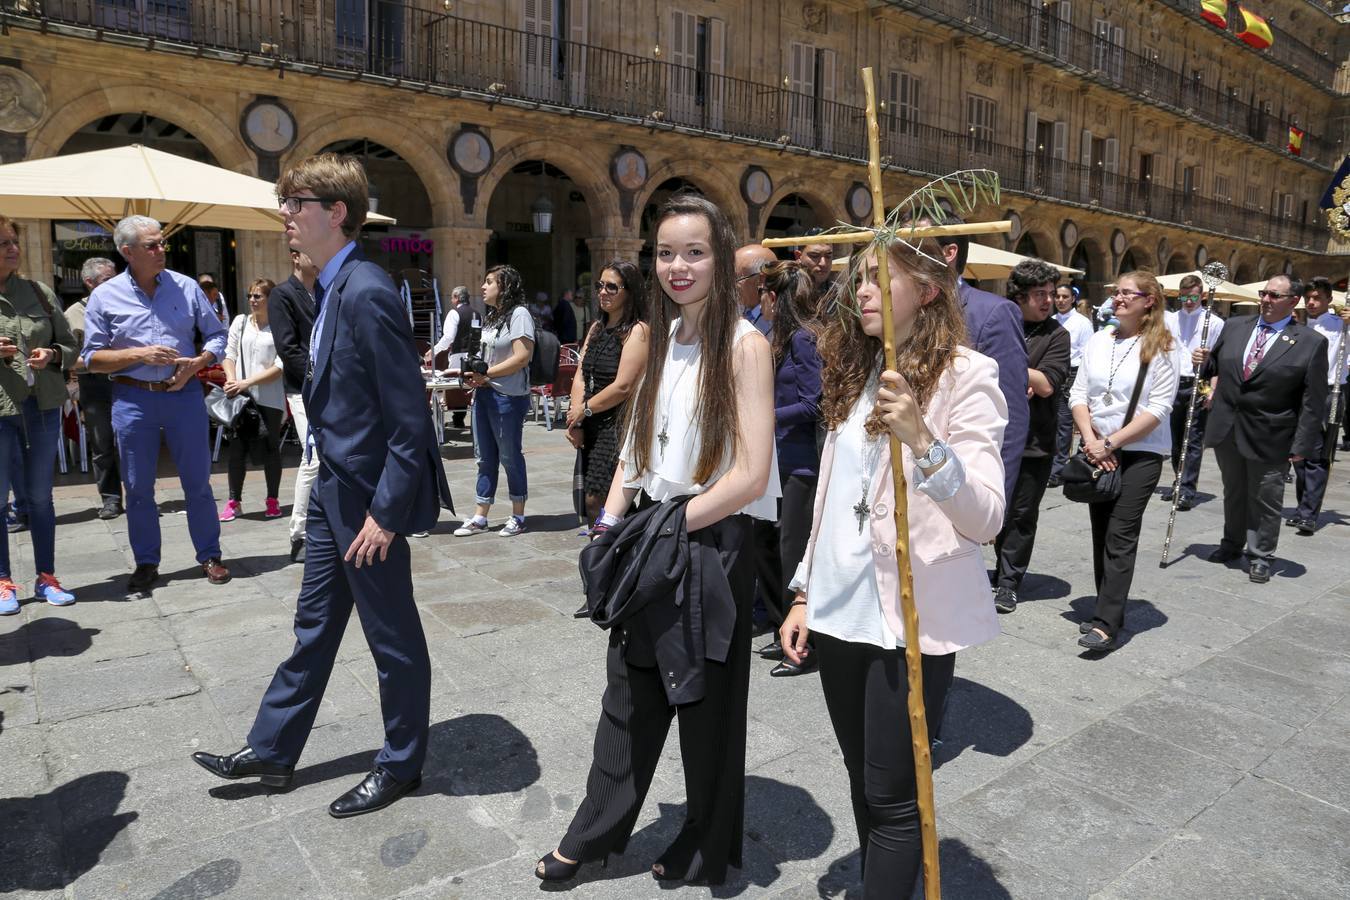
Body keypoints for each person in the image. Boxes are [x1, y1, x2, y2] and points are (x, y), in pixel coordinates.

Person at [193, 152, 452, 818]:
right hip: (335, 495)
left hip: (367, 506)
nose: (285, 215)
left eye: (297, 203)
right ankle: (274, 750)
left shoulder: (365, 290)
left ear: (336, 214)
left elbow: (407, 417)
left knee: (391, 638)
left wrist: (386, 515)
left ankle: (401, 765)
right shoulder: (330, 288)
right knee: (314, 628)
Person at [537, 195, 778, 886]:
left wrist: (670, 522)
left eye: (694, 252)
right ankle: (594, 832)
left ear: (720, 258)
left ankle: (705, 838)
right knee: (630, 695)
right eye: (667, 253)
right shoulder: (660, 337)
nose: (679, 266)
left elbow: (753, 471)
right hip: (651, 532)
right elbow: (634, 452)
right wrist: (609, 526)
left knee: (705, 707)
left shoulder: (746, 347)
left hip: (708, 541)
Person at [777, 232, 1007, 899]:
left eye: (879, 277)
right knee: (861, 775)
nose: (861, 290)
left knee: (895, 792)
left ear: (929, 290)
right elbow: (831, 495)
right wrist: (800, 592)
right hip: (839, 606)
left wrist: (924, 440)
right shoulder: (854, 369)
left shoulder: (968, 377)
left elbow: (986, 517)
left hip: (907, 615)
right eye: (857, 279)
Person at [83, 215, 231, 594]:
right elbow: (92, 359)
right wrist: (141, 353)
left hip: (183, 396)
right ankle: (147, 562)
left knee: (198, 482)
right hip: (132, 398)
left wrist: (197, 364)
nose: (161, 250)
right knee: (137, 487)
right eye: (152, 245)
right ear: (127, 252)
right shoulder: (104, 296)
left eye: (162, 243)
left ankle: (210, 555)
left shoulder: (186, 287)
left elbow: (217, 335)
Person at [1070, 271, 1180, 650]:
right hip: (1097, 447)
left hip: (1141, 452)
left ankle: (1105, 622)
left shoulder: (1163, 345)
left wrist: (1112, 443)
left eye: (1126, 294)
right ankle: (1108, 606)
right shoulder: (1100, 340)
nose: (1117, 298)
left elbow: (1160, 407)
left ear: (1149, 300)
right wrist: (1091, 440)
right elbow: (1078, 393)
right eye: (1115, 292)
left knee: (1120, 533)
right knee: (1102, 531)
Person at [1198, 274, 1327, 583]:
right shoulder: (1234, 327)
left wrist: (1302, 445)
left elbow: (1313, 401)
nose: (1266, 300)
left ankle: (1261, 553)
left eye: (1274, 296)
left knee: (1266, 496)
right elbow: (1216, 367)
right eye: (1263, 293)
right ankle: (1231, 543)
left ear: (1293, 301)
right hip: (1228, 426)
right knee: (1234, 491)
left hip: (1272, 433)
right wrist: (1202, 362)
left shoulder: (1310, 342)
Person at [0, 216, 81, 615]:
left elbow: (70, 344)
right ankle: (2, 581)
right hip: (1, 411)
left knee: (40, 498)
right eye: (3, 243)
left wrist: (52, 354)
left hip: (42, 406)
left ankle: (46, 577)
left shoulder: (39, 291)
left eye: (13, 241)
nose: (12, 248)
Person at [921, 211, 1029, 500]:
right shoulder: (903, 310)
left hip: (961, 486)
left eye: (914, 245)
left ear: (949, 252)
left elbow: (1011, 414)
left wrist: (993, 500)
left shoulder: (992, 313)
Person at [753, 259, 823, 677]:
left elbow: (816, 402)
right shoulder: (778, 336)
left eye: (763, 292)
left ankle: (803, 646)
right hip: (775, 460)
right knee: (766, 546)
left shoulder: (802, 339)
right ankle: (785, 630)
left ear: (774, 297)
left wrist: (770, 414)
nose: (759, 299)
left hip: (799, 465)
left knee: (790, 551)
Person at [993, 260, 1070, 614]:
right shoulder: (1001, 322)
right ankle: (991, 572)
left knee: (1022, 515)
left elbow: (1047, 382)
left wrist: (1005, 370)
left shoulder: (1057, 335)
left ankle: (1009, 582)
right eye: (1040, 294)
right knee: (994, 511)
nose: (1048, 301)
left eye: (1052, 294)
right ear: (1019, 296)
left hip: (1033, 444)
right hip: (991, 436)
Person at [564, 259, 649, 526]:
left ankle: (615, 553)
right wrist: (576, 417)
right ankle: (608, 554)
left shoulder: (638, 331)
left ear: (630, 291)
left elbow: (623, 386)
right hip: (591, 421)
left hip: (618, 426)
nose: (603, 292)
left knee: (597, 500)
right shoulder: (597, 328)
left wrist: (584, 408)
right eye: (600, 286)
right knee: (590, 499)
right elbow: (581, 374)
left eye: (612, 287)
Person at [453, 265, 535, 537]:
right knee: (484, 457)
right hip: (485, 393)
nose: (483, 286)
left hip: (507, 396)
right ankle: (480, 516)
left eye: (490, 282)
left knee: (510, 456)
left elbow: (522, 356)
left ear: (505, 286)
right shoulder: (492, 317)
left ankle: (518, 515)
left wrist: (486, 374)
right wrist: (473, 372)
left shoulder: (519, 315)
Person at [219, 279, 286, 523]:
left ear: (270, 298)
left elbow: (280, 366)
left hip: (270, 398)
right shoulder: (240, 322)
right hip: (243, 399)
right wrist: (232, 380)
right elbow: (229, 354)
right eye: (250, 295)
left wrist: (247, 382)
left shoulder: (281, 326)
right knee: (237, 449)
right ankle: (234, 501)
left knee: (270, 449)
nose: (252, 300)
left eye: (258, 296)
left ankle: (272, 499)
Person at [268, 248, 319, 561]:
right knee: (313, 457)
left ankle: (322, 526)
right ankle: (299, 534)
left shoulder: (324, 291)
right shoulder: (282, 295)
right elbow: (288, 350)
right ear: (296, 256)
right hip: (302, 389)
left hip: (329, 389)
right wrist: (319, 379)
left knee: (323, 457)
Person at [1288, 277, 1349, 534]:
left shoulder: (1341, 327)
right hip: (1297, 393)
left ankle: (1308, 513)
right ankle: (1304, 506)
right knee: (1298, 454)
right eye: (1309, 298)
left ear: (1328, 301)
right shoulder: (1296, 326)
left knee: (1318, 455)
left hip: (1328, 392)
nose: (1311, 303)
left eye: (1317, 298)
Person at [64, 256, 123, 519]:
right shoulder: (74, 314)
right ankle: (110, 499)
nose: (116, 284)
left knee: (132, 442)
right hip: (95, 383)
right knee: (102, 444)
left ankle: (141, 496)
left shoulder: (127, 305)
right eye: (107, 280)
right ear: (89, 282)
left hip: (126, 381)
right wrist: (99, 360)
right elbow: (68, 357)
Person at [1161, 274, 1224, 510]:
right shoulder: (1170, 320)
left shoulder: (1214, 322)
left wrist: (1212, 391)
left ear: (1203, 296)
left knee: (1194, 436)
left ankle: (1188, 488)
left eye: (1193, 297)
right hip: (1174, 381)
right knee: (1176, 439)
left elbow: (1219, 361)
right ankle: (1179, 481)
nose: (1188, 301)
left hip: (1201, 381)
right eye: (1185, 296)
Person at [1049, 283, 1093, 486]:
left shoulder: (1082, 323)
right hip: (1052, 371)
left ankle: (1058, 469)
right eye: (1057, 296)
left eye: (1064, 297)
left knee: (1064, 423)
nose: (1060, 300)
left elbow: (1087, 353)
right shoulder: (1051, 321)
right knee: (1050, 420)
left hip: (1072, 372)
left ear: (1072, 299)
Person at [426, 285, 474, 429]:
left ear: (457, 298)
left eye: (452, 297)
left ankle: (456, 420)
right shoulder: (477, 314)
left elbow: (448, 337)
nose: (451, 300)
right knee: (468, 388)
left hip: (458, 356)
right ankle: (460, 419)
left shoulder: (454, 313)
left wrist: (433, 351)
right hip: (475, 356)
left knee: (454, 388)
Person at [734, 243, 776, 336]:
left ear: (761, 280)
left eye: (735, 278)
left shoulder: (778, 324)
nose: (730, 286)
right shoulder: (734, 311)